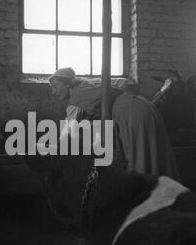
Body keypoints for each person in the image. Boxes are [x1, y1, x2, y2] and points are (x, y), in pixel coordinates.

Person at [49, 67, 180, 180]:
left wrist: (52, 150)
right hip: (144, 105)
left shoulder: (75, 100)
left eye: (55, 86)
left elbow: (66, 135)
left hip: (130, 115)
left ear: (67, 83)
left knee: (139, 165)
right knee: (157, 156)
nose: (53, 92)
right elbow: (123, 82)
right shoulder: (89, 84)